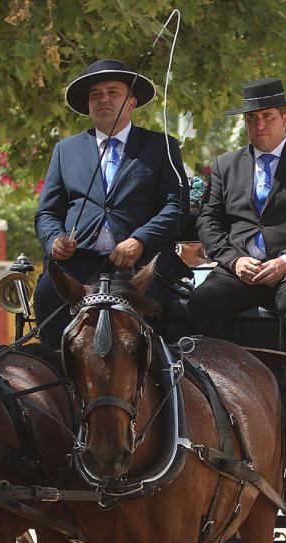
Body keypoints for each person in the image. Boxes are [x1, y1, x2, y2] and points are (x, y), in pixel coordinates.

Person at [190, 78, 286, 376]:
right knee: (201, 301)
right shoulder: (226, 165)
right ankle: (220, 387)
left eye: (268, 116)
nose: (259, 124)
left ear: (285, 119)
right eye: (252, 118)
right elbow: (208, 221)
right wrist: (233, 261)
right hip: (241, 268)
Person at [32, 58, 190, 347]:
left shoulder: (161, 146)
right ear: (88, 106)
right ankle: (58, 381)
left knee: (178, 308)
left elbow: (177, 207)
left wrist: (140, 240)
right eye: (96, 94)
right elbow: (47, 212)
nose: (103, 98)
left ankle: (167, 382)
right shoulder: (65, 150)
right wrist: (55, 240)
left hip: (140, 266)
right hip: (78, 265)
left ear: (131, 102)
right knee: (46, 294)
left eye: (112, 92)